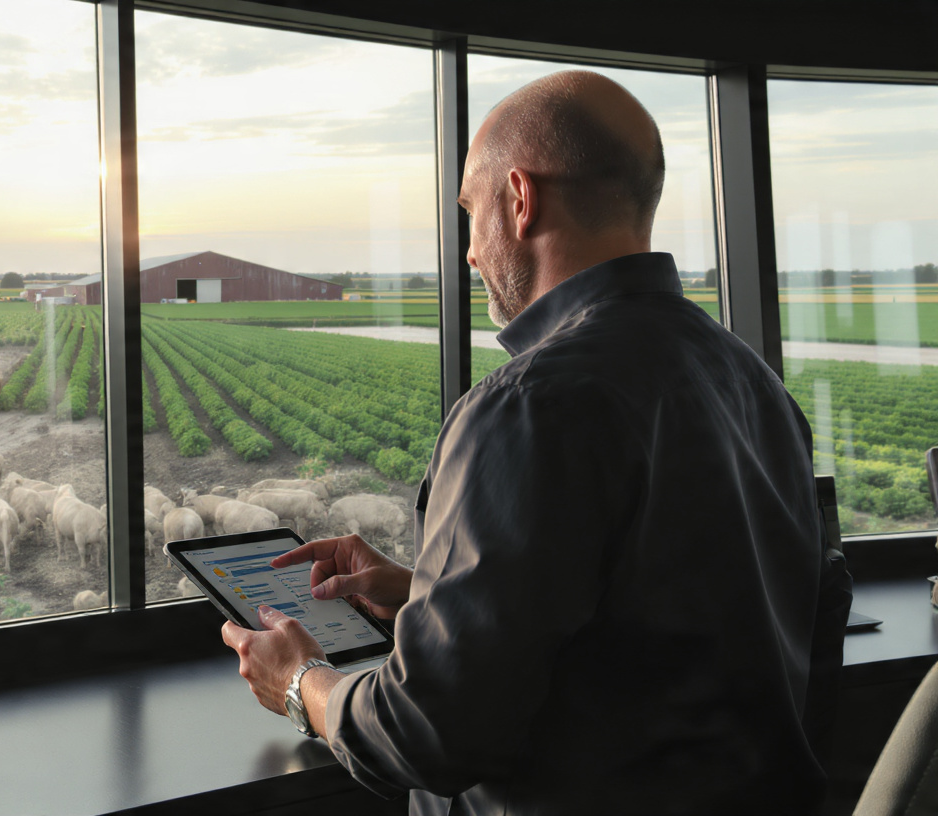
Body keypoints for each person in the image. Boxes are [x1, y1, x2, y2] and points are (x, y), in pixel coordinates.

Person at [221, 70, 830, 814]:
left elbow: (429, 734)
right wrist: (427, 593)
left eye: (471, 215)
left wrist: (298, 684)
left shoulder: (531, 405)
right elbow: (654, 630)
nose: (471, 253)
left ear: (519, 199)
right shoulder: (753, 383)